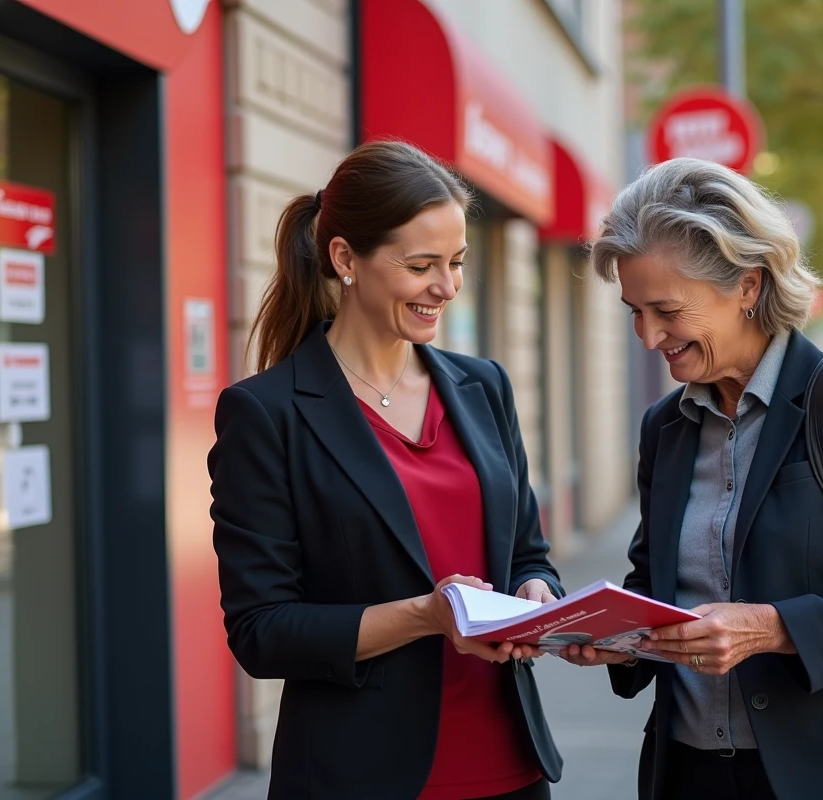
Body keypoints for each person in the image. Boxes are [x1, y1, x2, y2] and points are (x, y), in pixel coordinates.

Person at [564, 158, 823, 800]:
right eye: (634, 311)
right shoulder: (666, 425)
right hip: (687, 771)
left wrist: (771, 628)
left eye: (666, 309)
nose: (647, 336)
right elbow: (655, 583)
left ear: (748, 285)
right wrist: (616, 635)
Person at [208, 140, 563, 800]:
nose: (447, 287)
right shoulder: (265, 414)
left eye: (456, 263)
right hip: (359, 776)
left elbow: (528, 554)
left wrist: (536, 596)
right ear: (345, 258)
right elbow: (262, 633)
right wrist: (428, 615)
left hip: (510, 770)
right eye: (422, 265)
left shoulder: (485, 388)